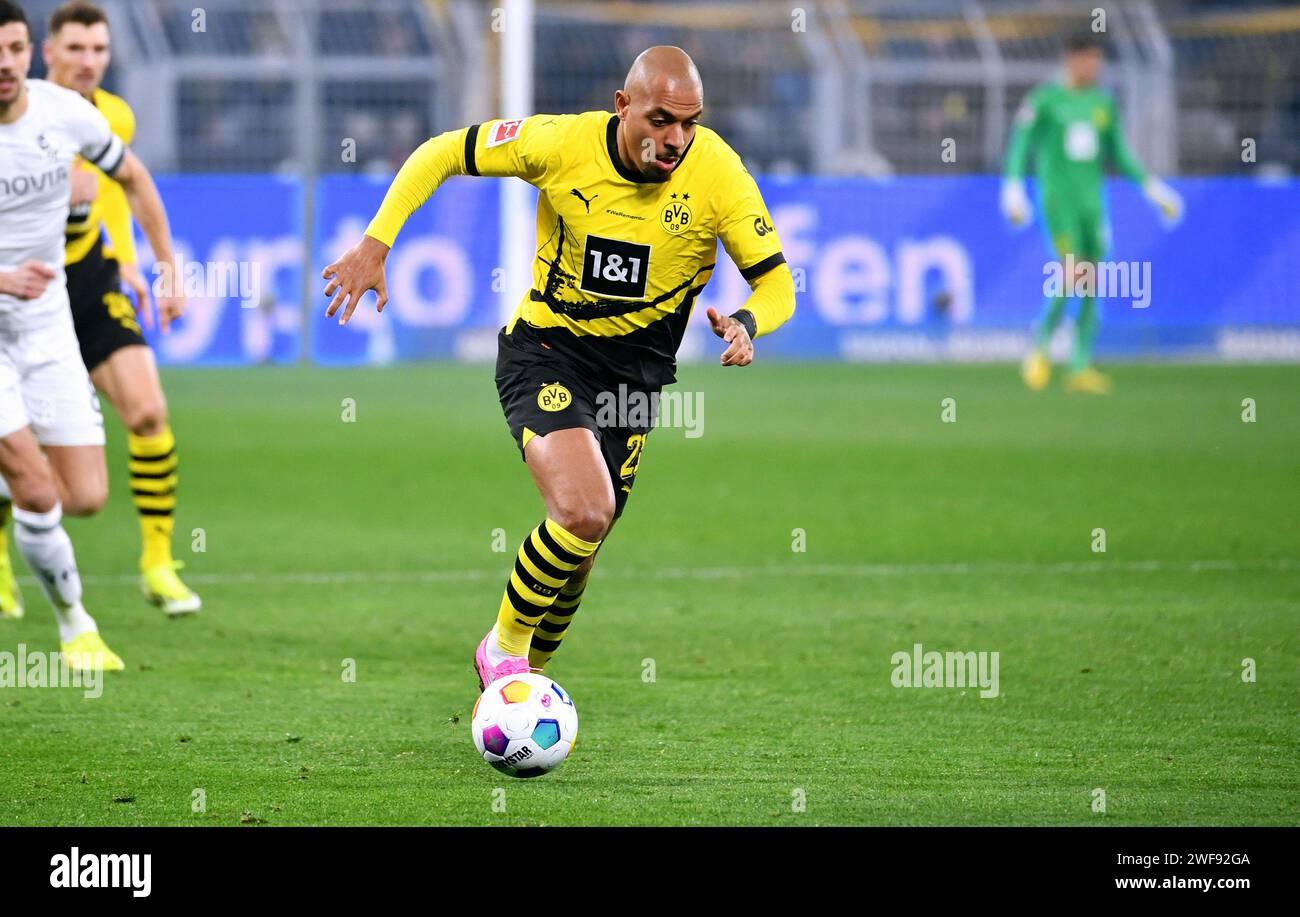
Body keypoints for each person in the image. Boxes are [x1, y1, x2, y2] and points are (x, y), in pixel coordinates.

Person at [322, 46, 796, 689]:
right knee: (584, 511)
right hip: (548, 352)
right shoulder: (559, 143)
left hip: (634, 384)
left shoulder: (718, 172)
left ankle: (518, 694)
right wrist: (377, 242)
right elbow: (440, 152)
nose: (675, 139)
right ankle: (502, 653)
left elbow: (778, 286)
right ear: (622, 106)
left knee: (580, 557)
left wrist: (747, 322)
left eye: (689, 122)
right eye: (659, 120)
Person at [0, 0, 183, 667]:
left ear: (27, 53)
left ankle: (13, 483)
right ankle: (76, 626)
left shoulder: (69, 114)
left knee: (84, 496)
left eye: (13, 48)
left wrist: (164, 265)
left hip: (48, 317)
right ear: (56, 49)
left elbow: (130, 178)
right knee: (38, 486)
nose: (4, 62)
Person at [1001, 31, 1183, 394]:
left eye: (1098, 60)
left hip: (1092, 204)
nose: (1094, 66)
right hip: (1059, 202)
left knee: (1093, 280)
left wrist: (1152, 187)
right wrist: (1013, 187)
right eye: (1088, 59)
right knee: (1073, 272)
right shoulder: (1045, 100)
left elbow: (1118, 151)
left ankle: (1080, 364)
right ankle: (1039, 349)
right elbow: (1021, 144)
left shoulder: (1102, 103)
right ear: (1071, 59)